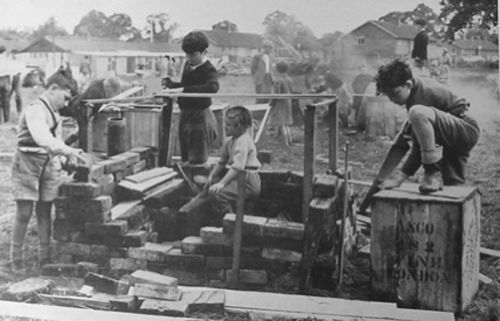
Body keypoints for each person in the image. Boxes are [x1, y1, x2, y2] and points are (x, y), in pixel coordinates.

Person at [10, 72, 83, 270]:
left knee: (45, 210)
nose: (66, 103)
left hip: (48, 164)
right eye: (65, 97)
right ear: (53, 89)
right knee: (24, 212)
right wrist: (68, 150)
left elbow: (54, 144)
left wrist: (64, 160)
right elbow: (43, 138)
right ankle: (16, 258)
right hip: (27, 162)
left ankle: (45, 256)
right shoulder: (35, 110)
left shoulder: (55, 114)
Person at [375, 59, 479, 193]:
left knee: (417, 113)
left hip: (464, 127)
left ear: (408, 84)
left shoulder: (420, 98)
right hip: (452, 131)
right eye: (389, 96)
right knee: (453, 188)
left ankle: (431, 174)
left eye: (394, 94)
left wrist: (401, 177)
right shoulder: (415, 90)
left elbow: (419, 146)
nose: (392, 100)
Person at [163, 31, 219, 165]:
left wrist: (182, 89)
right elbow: (186, 85)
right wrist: (171, 85)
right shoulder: (188, 65)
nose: (189, 57)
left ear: (204, 52)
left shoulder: (209, 69)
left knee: (198, 158)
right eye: (187, 54)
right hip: (185, 115)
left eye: (193, 54)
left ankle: (199, 181)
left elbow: (213, 87)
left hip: (200, 117)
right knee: (186, 155)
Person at [205, 106, 261, 222]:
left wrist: (222, 183)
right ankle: (239, 226)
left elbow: (238, 167)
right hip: (240, 178)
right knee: (245, 211)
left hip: (248, 180)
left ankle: (230, 223)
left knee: (218, 194)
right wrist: (212, 176)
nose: (224, 127)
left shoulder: (243, 141)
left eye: (228, 125)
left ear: (239, 127)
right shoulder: (229, 141)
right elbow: (221, 162)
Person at [268, 61, 293, 146]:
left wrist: (271, 103)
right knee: (286, 124)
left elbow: (276, 94)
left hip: (280, 104)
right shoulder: (289, 79)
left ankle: (285, 142)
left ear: (277, 70)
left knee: (281, 124)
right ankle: (290, 140)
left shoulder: (278, 81)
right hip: (288, 102)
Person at [251, 39, 274, 103]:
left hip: (268, 77)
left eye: (271, 48)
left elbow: (270, 68)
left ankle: (266, 110)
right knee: (260, 96)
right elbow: (253, 69)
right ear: (264, 48)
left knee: (268, 96)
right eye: (269, 48)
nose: (270, 50)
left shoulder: (271, 57)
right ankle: (259, 111)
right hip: (260, 78)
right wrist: (257, 77)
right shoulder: (257, 57)